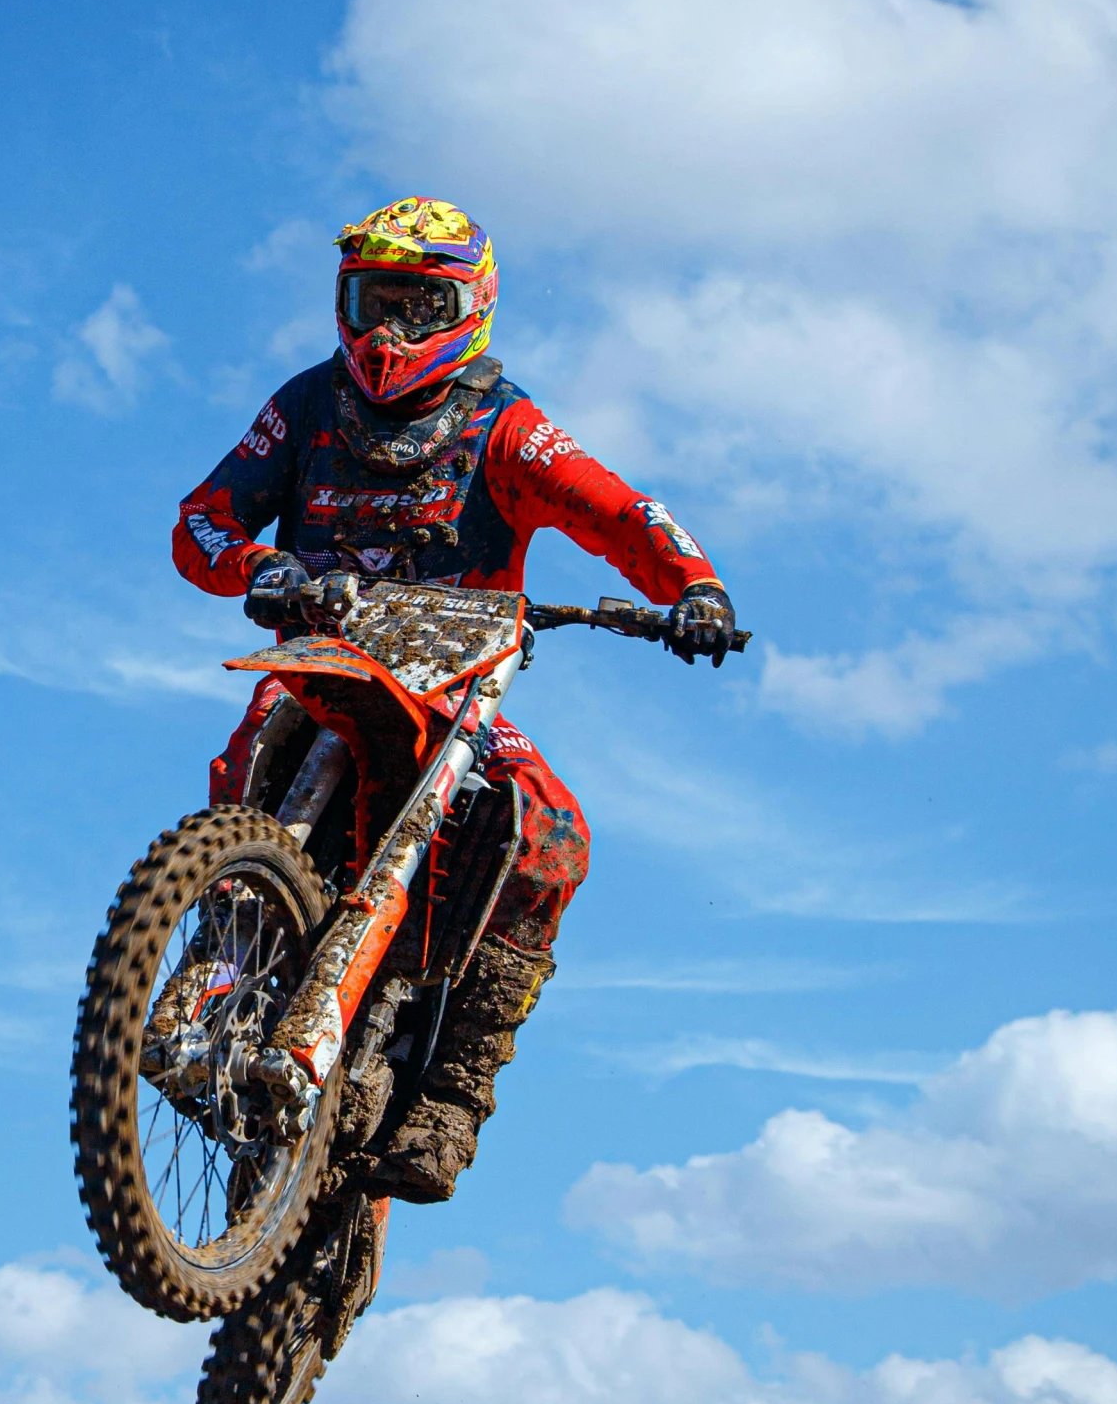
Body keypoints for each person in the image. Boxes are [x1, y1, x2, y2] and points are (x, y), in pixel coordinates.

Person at [173, 196, 734, 1205]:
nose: (389, 332)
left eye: (417, 305)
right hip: (322, 654)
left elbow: (615, 506)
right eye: (372, 301)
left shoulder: (503, 425)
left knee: (553, 830)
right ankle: (215, 963)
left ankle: (452, 1096)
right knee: (249, 757)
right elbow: (202, 519)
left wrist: (692, 586)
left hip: (455, 682)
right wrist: (255, 564)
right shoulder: (304, 406)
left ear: (466, 308)